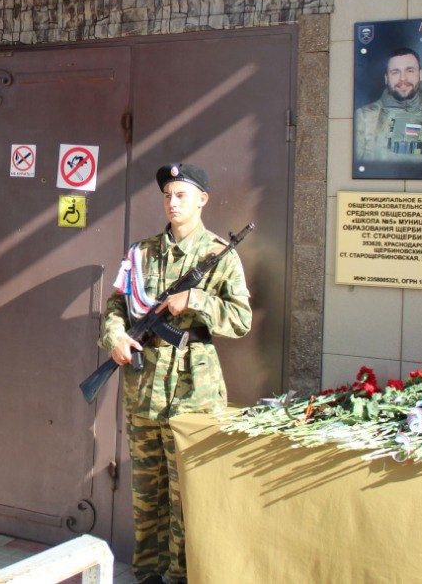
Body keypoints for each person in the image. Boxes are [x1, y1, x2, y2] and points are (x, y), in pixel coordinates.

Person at [99, 163, 251, 584]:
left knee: (188, 496)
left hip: (193, 392)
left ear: (203, 199)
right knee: (148, 495)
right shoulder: (140, 252)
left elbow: (241, 320)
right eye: (168, 194)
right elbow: (115, 305)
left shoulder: (219, 255)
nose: (173, 202)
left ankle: (181, 577)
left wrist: (197, 300)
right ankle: (147, 573)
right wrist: (114, 336)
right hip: (144, 388)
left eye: (182, 194)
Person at [354, 46, 422, 164]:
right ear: (386, 78)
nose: (403, 78)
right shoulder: (365, 117)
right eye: (395, 72)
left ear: (420, 74)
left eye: (410, 70)